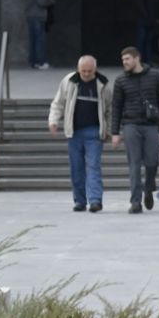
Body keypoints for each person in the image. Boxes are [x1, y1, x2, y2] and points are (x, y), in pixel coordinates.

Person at [47, 55, 111, 212]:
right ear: (78, 69)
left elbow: (109, 109)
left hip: (94, 132)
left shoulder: (102, 84)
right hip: (74, 132)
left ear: (95, 70)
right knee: (76, 168)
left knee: (93, 166)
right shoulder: (69, 81)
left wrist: (109, 130)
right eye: (83, 71)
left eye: (90, 71)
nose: (87, 74)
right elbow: (58, 103)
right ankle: (80, 201)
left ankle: (95, 200)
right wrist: (53, 120)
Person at [110, 46, 159, 214]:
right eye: (123, 60)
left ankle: (148, 189)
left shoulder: (154, 76)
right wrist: (115, 132)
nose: (124, 63)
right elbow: (116, 107)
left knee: (152, 162)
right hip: (130, 125)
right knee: (134, 164)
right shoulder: (121, 80)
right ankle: (135, 201)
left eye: (127, 59)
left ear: (137, 58)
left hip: (151, 125)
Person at [23, 0, 54, 69]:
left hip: (30, 16)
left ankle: (33, 61)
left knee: (33, 40)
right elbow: (41, 2)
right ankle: (41, 62)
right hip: (38, 16)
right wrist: (50, 1)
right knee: (39, 40)